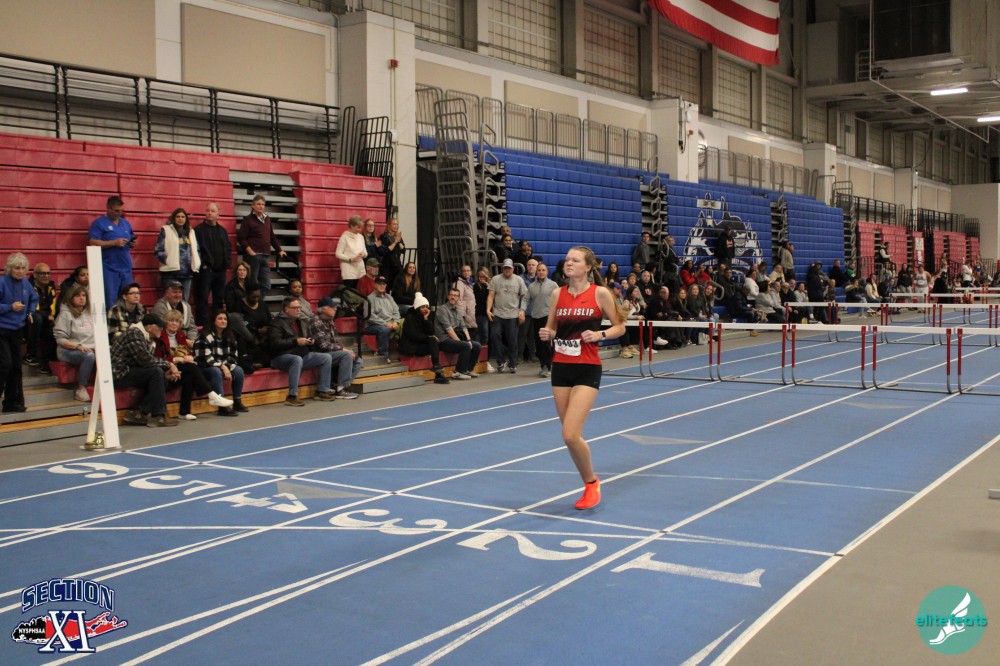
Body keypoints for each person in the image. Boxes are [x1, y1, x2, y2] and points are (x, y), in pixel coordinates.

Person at [538, 246, 625, 510]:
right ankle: (588, 481)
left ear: (588, 267)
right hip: (561, 367)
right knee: (572, 436)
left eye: (575, 260)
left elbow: (620, 326)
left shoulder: (599, 293)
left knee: (569, 434)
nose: (569, 263)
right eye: (567, 260)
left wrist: (600, 335)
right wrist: (548, 333)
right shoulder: (557, 293)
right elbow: (552, 328)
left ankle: (591, 483)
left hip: (587, 367)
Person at [155, 309, 232, 420]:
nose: (174, 323)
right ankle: (212, 395)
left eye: (177, 321)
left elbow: (187, 352)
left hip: (181, 368)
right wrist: (178, 359)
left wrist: (190, 357)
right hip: (165, 368)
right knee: (191, 368)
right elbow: (159, 357)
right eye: (171, 320)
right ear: (165, 322)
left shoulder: (180, 335)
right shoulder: (159, 336)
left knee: (189, 376)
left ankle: (184, 412)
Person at [109, 313, 179, 428]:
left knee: (161, 376)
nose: (162, 329)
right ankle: (158, 416)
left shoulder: (149, 339)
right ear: (150, 327)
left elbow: (145, 363)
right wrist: (169, 364)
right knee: (156, 372)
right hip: (118, 373)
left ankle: (138, 413)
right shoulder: (134, 333)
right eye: (159, 327)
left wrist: (165, 373)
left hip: (130, 369)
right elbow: (144, 360)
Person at [267, 296, 335, 406]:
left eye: (299, 308)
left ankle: (322, 390)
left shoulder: (299, 321)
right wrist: (295, 342)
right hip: (280, 357)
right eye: (295, 308)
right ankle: (292, 396)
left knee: (326, 357)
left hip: (300, 353)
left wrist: (309, 341)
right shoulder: (276, 323)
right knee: (296, 359)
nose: (298, 310)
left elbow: (304, 337)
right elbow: (275, 344)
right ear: (286, 309)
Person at [1, 253, 39, 413]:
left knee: (16, 367)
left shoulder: (26, 283)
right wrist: (10, 307)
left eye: (23, 268)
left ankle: (12, 402)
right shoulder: (2, 282)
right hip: (2, 329)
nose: (20, 271)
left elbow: (34, 298)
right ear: (10, 268)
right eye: (17, 268)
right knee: (5, 364)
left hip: (17, 329)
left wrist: (30, 311)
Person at [194, 310, 247, 416]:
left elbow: (233, 357)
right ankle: (222, 407)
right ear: (213, 321)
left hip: (221, 365)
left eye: (225, 319)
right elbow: (205, 359)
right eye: (220, 318)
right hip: (204, 367)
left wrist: (226, 366)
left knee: (239, 370)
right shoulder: (205, 336)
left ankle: (237, 401)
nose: (223, 321)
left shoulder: (230, 336)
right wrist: (223, 367)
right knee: (215, 371)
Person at [88, 195, 137, 308]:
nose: (119, 213)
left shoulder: (125, 223)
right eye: (116, 211)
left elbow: (131, 237)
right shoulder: (99, 223)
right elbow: (93, 242)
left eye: (121, 211)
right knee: (110, 299)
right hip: (109, 267)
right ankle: (111, 319)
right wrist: (113, 243)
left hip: (125, 266)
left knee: (128, 298)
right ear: (108, 208)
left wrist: (132, 243)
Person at [310, 296, 362, 399]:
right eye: (332, 307)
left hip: (330, 353)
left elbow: (334, 342)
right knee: (346, 355)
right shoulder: (315, 321)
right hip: (318, 354)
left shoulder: (330, 321)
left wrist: (345, 349)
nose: (335, 309)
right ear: (323, 309)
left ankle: (338, 385)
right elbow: (323, 345)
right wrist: (342, 349)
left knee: (358, 361)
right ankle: (341, 390)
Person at [236, 194, 286, 299]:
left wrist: (279, 250)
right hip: (252, 257)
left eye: (263, 204)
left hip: (265, 256)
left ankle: (255, 304)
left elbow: (272, 237)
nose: (261, 206)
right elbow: (241, 238)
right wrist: (250, 251)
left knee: (266, 285)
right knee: (252, 284)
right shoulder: (247, 219)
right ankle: (250, 304)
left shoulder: (267, 219)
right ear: (253, 206)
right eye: (258, 204)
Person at [53, 285, 96, 401]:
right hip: (68, 350)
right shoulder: (65, 314)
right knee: (89, 355)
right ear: (71, 298)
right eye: (77, 295)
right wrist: (77, 346)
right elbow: (60, 339)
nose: (82, 298)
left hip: (90, 347)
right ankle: (81, 389)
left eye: (83, 295)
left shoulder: (90, 314)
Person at [398, 292, 450, 384]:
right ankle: (438, 372)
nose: (425, 309)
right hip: (411, 346)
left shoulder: (424, 317)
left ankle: (437, 371)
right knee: (432, 340)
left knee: (433, 340)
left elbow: (431, 332)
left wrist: (426, 320)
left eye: (426, 307)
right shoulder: (409, 318)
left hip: (420, 345)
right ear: (417, 307)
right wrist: (428, 337)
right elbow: (413, 336)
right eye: (423, 307)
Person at [194, 201, 232, 326]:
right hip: (206, 271)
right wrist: (202, 265)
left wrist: (227, 262)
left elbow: (228, 247)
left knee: (219, 300)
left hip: (220, 271)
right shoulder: (198, 230)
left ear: (218, 214)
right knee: (202, 299)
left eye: (212, 211)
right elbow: (195, 249)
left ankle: (218, 324)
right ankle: (203, 325)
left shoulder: (222, 231)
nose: (209, 213)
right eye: (208, 210)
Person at [487, 258, 527, 373]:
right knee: (494, 336)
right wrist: (488, 309)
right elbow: (491, 295)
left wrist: (522, 310)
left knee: (512, 340)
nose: (507, 270)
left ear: (513, 269)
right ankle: (501, 360)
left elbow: (525, 296)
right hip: (498, 313)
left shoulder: (519, 280)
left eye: (509, 268)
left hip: (513, 314)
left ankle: (512, 363)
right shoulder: (496, 279)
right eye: (505, 268)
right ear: (502, 268)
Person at [154, 207, 201, 299]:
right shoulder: (166, 230)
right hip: (170, 273)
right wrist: (167, 260)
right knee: (171, 300)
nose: (180, 218)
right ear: (173, 218)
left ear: (186, 219)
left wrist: (196, 262)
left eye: (183, 217)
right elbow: (158, 250)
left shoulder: (191, 232)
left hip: (187, 273)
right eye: (178, 216)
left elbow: (197, 249)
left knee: (184, 301)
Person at [24, 262, 57, 373]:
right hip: (27, 322)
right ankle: (30, 355)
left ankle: (46, 363)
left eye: (48, 273)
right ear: (35, 275)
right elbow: (29, 308)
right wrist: (47, 317)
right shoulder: (27, 286)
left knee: (55, 331)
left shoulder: (51, 286)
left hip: (45, 322)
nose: (46, 276)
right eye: (42, 273)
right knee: (36, 318)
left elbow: (54, 306)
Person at [527, 262, 558, 377]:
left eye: (543, 270)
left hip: (548, 317)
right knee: (539, 343)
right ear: (536, 272)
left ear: (547, 272)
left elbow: (560, 299)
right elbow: (526, 299)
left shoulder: (553, 285)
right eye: (539, 270)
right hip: (536, 317)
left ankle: (547, 366)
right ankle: (543, 365)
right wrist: (521, 310)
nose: (541, 272)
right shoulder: (531, 286)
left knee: (545, 342)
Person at [365, 276, 401, 363]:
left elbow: (396, 311)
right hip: (373, 325)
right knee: (384, 329)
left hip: (391, 322)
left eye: (384, 284)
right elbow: (369, 316)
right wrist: (385, 323)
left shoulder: (389, 297)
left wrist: (396, 321)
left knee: (406, 324)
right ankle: (383, 354)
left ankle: (404, 353)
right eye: (379, 284)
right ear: (375, 285)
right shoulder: (369, 298)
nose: (382, 286)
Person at [336, 214, 367, 289]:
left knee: (360, 292)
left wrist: (363, 254)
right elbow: (338, 254)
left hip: (360, 270)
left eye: (360, 227)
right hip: (349, 272)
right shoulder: (344, 237)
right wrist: (350, 259)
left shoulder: (361, 237)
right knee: (350, 293)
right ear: (351, 226)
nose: (360, 230)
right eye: (358, 227)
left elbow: (366, 253)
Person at [379, 217, 405, 289]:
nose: (396, 226)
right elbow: (385, 251)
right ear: (389, 225)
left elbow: (403, 250)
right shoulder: (383, 237)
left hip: (397, 265)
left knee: (398, 286)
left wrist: (398, 241)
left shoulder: (397, 236)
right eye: (394, 224)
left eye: (397, 224)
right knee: (388, 286)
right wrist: (395, 242)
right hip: (387, 267)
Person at [454, 264, 477, 342]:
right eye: (464, 271)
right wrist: (462, 316)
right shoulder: (459, 283)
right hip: (465, 316)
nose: (466, 272)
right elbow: (458, 300)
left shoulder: (470, 283)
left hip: (472, 315)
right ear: (461, 272)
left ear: (471, 272)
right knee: (468, 339)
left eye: (468, 270)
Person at [472, 267, 492, 347]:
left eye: (484, 276)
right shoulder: (476, 286)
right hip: (481, 312)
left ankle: (488, 352)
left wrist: (488, 286)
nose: (482, 278)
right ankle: (482, 351)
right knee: (484, 334)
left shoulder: (491, 284)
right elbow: (482, 298)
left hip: (491, 312)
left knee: (491, 335)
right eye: (480, 276)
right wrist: (487, 287)